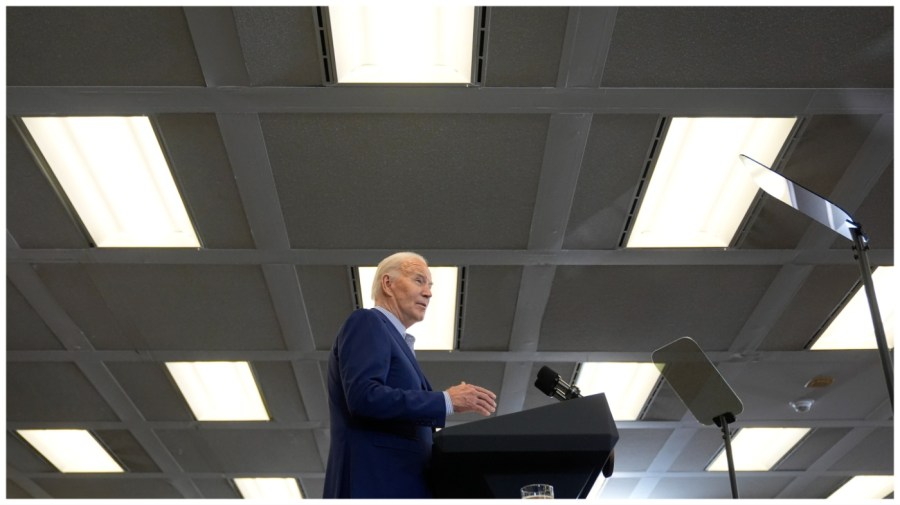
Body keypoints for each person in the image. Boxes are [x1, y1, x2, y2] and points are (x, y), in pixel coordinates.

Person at [323, 251, 498, 498]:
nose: (428, 292)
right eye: (419, 280)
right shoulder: (367, 322)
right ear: (388, 284)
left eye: (430, 285)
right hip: (375, 483)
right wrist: (445, 401)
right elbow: (364, 397)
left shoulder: (399, 342)